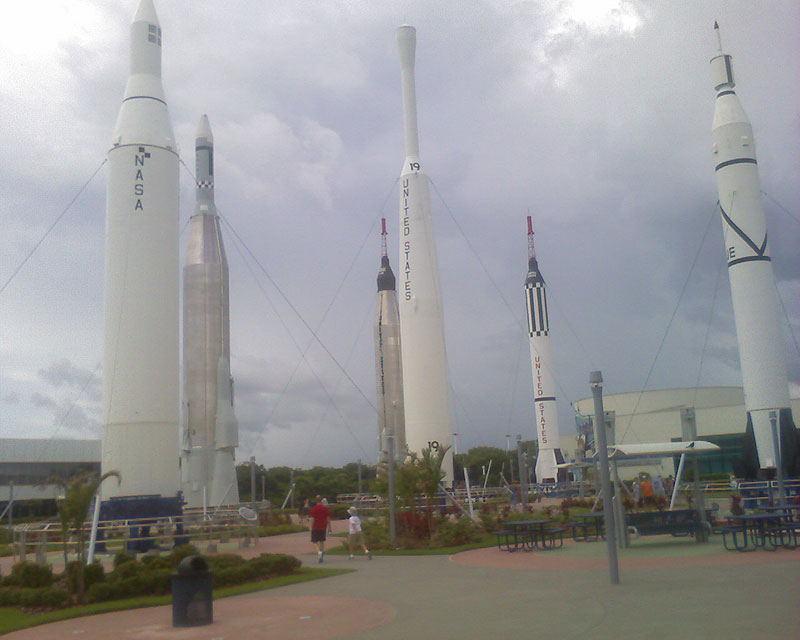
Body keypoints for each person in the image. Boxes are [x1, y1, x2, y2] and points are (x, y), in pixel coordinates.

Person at [309, 495, 330, 562]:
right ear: (321, 500)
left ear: (316, 501)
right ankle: (321, 555)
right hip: (323, 527)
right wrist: (329, 527)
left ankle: (318, 551)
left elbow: (312, 519)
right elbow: (328, 518)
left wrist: (311, 526)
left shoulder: (314, 509)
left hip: (315, 527)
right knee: (322, 541)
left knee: (314, 541)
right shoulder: (325, 509)